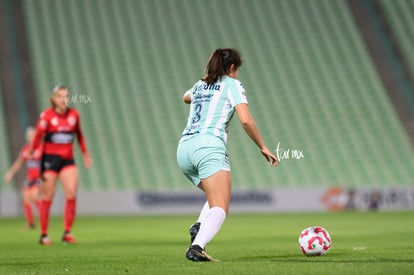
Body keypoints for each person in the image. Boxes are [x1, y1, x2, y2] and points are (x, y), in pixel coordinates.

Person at [176, 48, 278, 261]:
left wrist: (205, 85)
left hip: (184, 149)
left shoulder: (199, 85)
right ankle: (197, 247)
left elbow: (186, 97)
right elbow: (246, 120)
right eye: (237, 69)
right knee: (221, 206)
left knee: (214, 196)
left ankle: (199, 226)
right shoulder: (233, 85)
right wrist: (262, 146)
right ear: (232, 68)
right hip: (208, 147)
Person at [30, 85, 92, 245]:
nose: (64, 99)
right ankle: (44, 235)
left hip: (67, 160)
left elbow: (79, 135)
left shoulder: (74, 115)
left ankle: (67, 232)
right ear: (53, 99)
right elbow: (38, 136)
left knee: (71, 192)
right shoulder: (46, 116)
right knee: (47, 196)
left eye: (66, 96)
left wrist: (85, 154)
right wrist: (32, 150)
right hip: (50, 160)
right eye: (60, 96)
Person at [4, 127, 42, 229]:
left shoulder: (41, 148)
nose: (31, 138)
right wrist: (10, 174)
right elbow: (19, 163)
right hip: (29, 178)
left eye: (32, 135)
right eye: (29, 136)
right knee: (25, 199)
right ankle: (30, 224)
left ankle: (44, 217)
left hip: (39, 177)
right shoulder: (25, 149)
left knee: (34, 196)